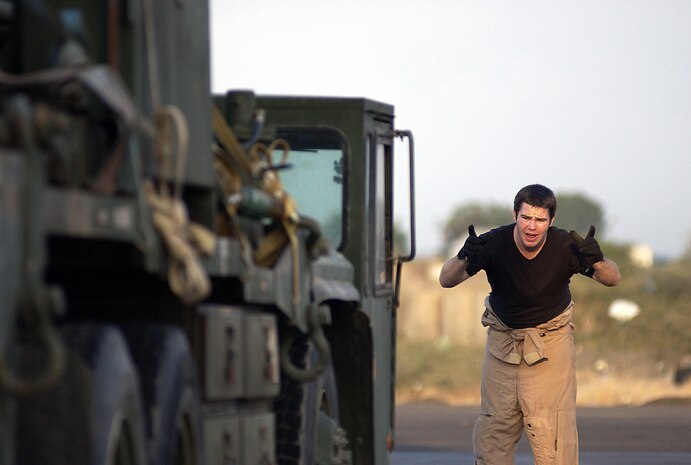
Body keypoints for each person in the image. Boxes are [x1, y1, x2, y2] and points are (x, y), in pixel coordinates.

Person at [438, 184, 620, 465]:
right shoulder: (494, 243)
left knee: (553, 437)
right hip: (503, 343)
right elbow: (446, 279)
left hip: (550, 344)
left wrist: (597, 260)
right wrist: (464, 256)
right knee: (493, 434)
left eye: (540, 220)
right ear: (515, 215)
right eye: (526, 218)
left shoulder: (565, 245)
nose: (532, 226)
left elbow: (612, 278)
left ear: (551, 221)